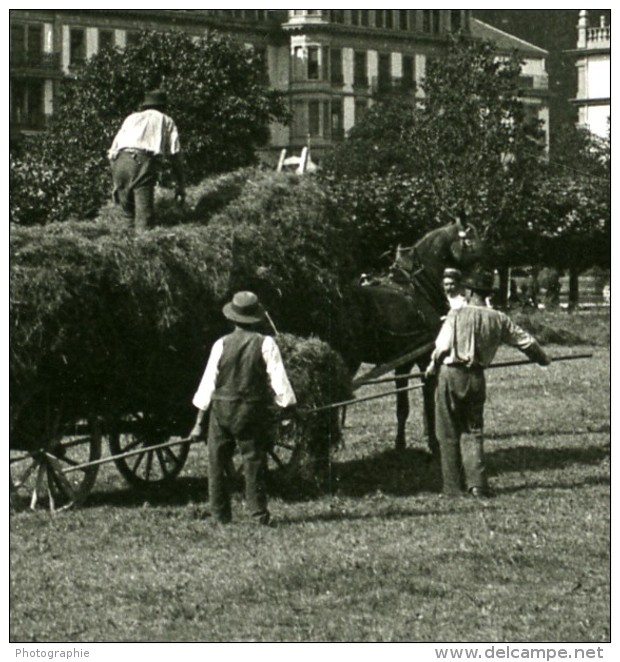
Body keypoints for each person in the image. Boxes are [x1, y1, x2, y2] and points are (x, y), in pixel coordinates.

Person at [425, 269, 550, 498]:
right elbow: (526, 342)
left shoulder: (456, 314)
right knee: (473, 431)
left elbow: (442, 347)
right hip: (476, 378)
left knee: (448, 431)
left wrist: (432, 365)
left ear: (470, 291)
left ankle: (452, 488)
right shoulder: (499, 318)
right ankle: (478, 486)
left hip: (451, 374)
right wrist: (542, 359)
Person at [189, 291, 297, 525]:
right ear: (257, 317)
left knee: (216, 462)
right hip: (250, 412)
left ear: (233, 318)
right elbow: (280, 382)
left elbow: (207, 385)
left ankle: (219, 516)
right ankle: (258, 515)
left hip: (221, 412)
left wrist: (198, 424)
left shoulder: (221, 344)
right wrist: (286, 407)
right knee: (254, 460)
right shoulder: (266, 343)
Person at [108, 89, 185, 231]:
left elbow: (113, 150)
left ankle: (125, 247)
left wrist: (116, 182)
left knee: (128, 215)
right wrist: (180, 184)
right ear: (163, 106)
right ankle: (143, 245)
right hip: (141, 161)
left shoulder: (131, 118)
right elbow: (175, 154)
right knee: (144, 215)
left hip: (119, 162)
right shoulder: (165, 119)